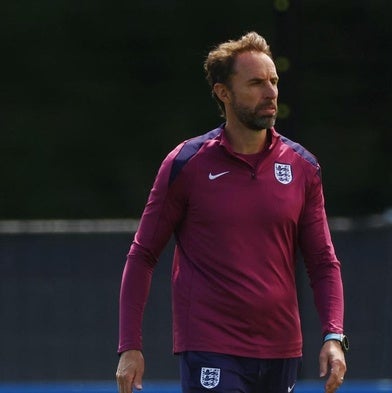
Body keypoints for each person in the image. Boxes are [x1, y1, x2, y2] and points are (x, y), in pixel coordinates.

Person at [115, 31, 347, 393]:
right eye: (255, 83)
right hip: (211, 346)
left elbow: (322, 261)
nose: (270, 92)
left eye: (273, 81)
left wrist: (334, 334)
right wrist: (130, 346)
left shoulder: (303, 167)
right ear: (224, 93)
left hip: (281, 350)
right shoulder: (186, 164)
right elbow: (143, 255)